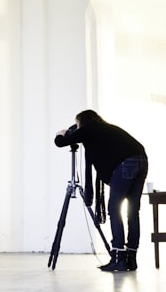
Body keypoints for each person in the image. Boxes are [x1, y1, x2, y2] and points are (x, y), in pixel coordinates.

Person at [54, 109, 148, 272]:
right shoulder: (107, 128)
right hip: (142, 160)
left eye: (77, 123)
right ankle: (131, 259)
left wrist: (60, 133)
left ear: (82, 121)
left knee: (114, 208)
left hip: (126, 163)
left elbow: (61, 142)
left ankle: (118, 258)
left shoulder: (88, 129)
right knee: (133, 211)